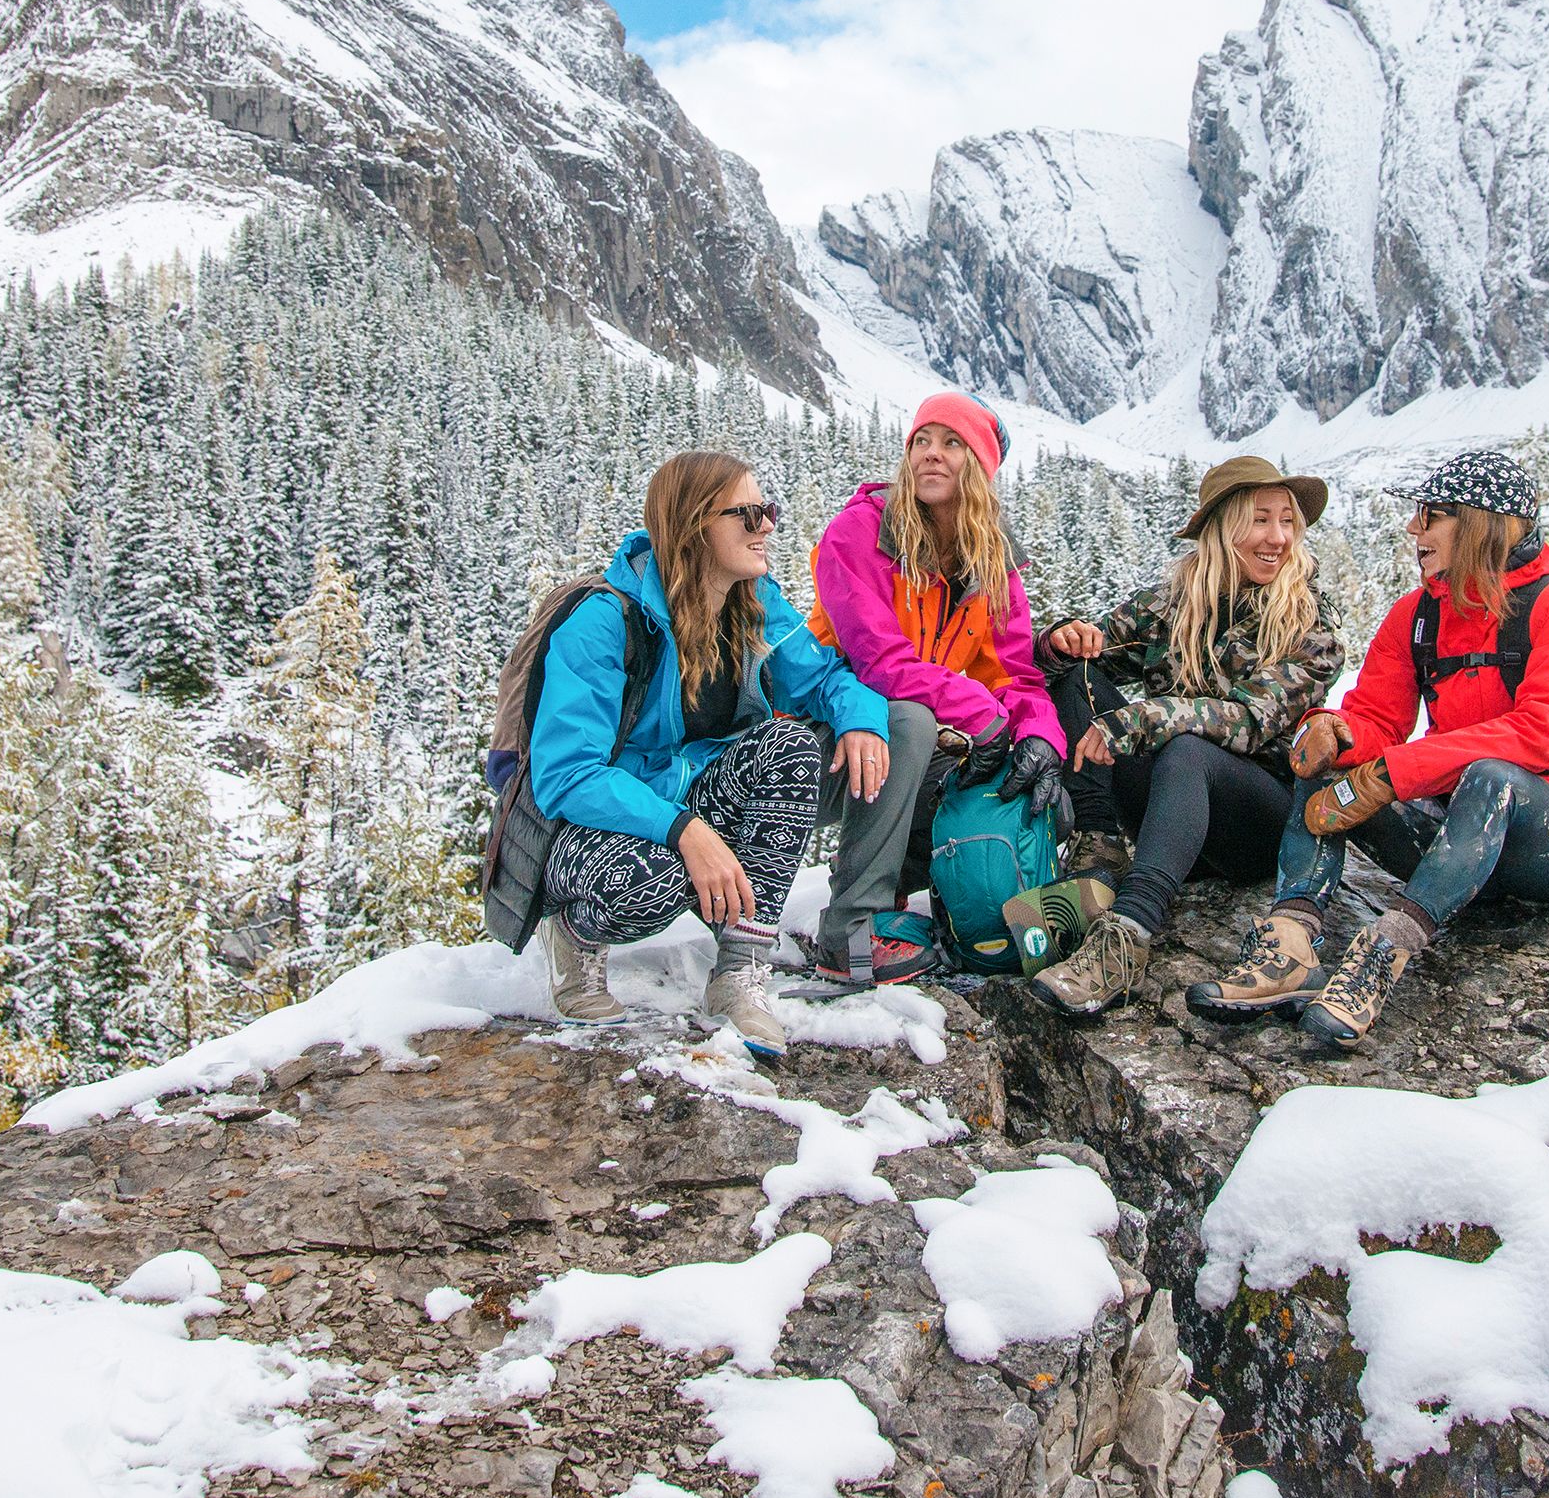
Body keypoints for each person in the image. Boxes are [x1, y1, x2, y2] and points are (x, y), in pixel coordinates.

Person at [1188, 449, 1549, 1049]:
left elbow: (1542, 732)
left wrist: (1395, 773)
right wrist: (1336, 732)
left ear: (1480, 526)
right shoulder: (1417, 615)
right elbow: (1377, 718)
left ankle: (1386, 949)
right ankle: (1289, 945)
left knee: (1492, 777)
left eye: (1431, 515)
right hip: (1452, 835)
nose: (1413, 528)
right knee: (1335, 768)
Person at [529, 449, 892, 1058]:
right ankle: (572, 933)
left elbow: (825, 678)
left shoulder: (753, 605)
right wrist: (684, 829)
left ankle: (740, 971)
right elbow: (566, 777)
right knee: (644, 885)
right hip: (590, 827)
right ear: (696, 527)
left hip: (691, 802)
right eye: (747, 515)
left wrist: (862, 722)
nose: (768, 526)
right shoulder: (603, 622)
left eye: (767, 510)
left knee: (792, 744)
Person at [1027, 455, 1342, 1015]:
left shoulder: (1311, 623)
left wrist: (1144, 719)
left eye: (1287, 521)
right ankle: (1100, 850)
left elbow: (1249, 721)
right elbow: (1092, 651)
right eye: (1261, 520)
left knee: (1188, 747)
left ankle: (1126, 936)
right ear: (1222, 528)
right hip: (1170, 811)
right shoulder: (1173, 603)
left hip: (1253, 820)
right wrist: (1060, 642)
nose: (1278, 538)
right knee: (1075, 673)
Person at [808, 392, 1067, 985]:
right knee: (911, 724)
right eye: (922, 440)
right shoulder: (860, 533)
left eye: (951, 443)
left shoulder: (991, 566)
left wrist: (1039, 737)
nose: (931, 454)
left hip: (900, 757)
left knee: (1033, 785)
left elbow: (1016, 676)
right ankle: (850, 931)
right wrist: (982, 715)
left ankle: (965, 914)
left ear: (978, 466)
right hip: (816, 743)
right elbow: (879, 663)